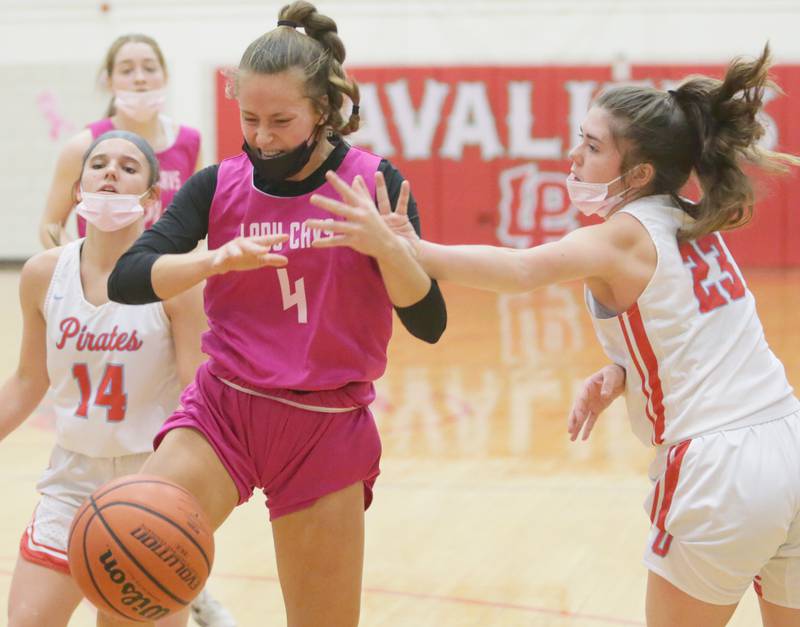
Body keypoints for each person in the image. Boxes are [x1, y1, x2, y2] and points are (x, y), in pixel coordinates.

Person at [310, 46, 800, 627]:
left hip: (721, 469)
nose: (573, 156)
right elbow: (700, 333)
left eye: (592, 147)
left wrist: (402, 247)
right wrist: (625, 373)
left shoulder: (622, 235)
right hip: (787, 442)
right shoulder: (693, 217)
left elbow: (520, 271)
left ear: (638, 174)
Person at [107, 2, 447, 626]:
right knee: (128, 568)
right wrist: (212, 261)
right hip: (224, 410)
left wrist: (389, 251)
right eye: (251, 118)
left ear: (323, 111)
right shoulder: (219, 185)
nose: (262, 137)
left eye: (281, 121)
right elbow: (126, 278)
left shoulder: (374, 184)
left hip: (324, 424)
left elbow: (430, 322)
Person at [2, 130, 234, 627]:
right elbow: (26, 381)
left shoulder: (174, 280)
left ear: (151, 198)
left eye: (129, 167)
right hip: (71, 480)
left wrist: (194, 495)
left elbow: (199, 394)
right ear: (78, 187)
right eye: (99, 163)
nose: (110, 172)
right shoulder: (44, 274)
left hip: (151, 483)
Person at [39, 33, 201, 248]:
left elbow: (197, 222)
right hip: (103, 278)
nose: (140, 78)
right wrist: (78, 268)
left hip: (166, 276)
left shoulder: (190, 141)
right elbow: (51, 225)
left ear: (165, 76)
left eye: (150, 68)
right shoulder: (83, 146)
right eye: (127, 70)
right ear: (109, 81)